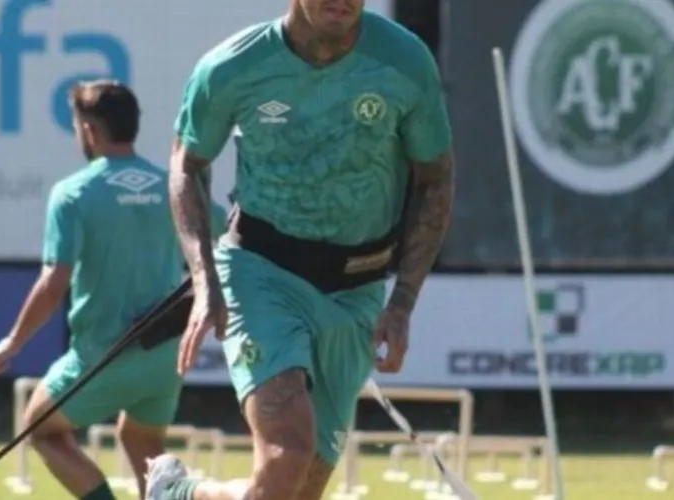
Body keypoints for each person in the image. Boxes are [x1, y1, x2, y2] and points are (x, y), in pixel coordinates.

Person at [147, 1, 455, 499]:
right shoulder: (232, 66)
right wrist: (205, 281)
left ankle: (182, 495)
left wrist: (402, 304)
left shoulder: (405, 60)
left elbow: (436, 180)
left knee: (299, 486)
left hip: (357, 290)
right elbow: (188, 164)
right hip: (262, 272)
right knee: (288, 451)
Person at [0, 80, 226, 500]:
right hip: (166, 356)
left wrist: (11, 344)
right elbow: (225, 233)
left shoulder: (74, 193)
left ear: (89, 130)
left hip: (102, 355)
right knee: (143, 447)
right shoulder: (172, 186)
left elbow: (54, 283)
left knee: (40, 428)